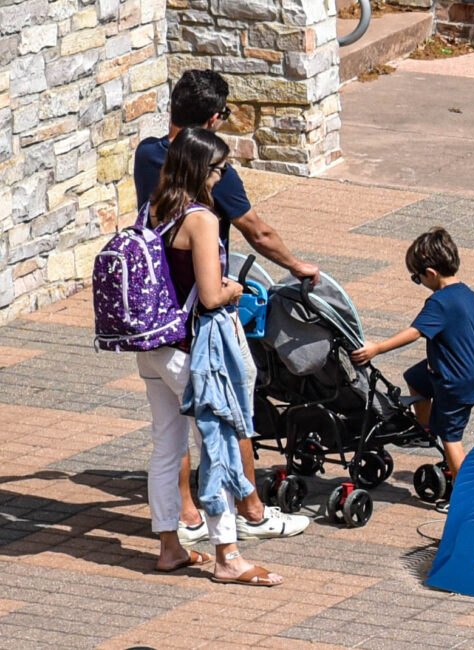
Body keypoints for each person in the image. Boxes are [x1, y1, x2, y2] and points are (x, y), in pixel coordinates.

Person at [134, 69, 315, 544]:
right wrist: (290, 269)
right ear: (212, 121)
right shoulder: (205, 206)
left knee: (168, 436)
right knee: (227, 417)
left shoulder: (148, 159)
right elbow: (255, 234)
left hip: (156, 322)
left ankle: (182, 523)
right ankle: (247, 518)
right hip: (198, 324)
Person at [139, 126, 282, 585]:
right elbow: (209, 294)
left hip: (153, 346)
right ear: (202, 169)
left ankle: (169, 548)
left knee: (166, 446)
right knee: (217, 445)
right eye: (219, 169)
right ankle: (227, 557)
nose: (222, 178)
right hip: (191, 352)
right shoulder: (199, 218)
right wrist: (236, 288)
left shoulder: (155, 205)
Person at [350, 227, 474, 514]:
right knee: (415, 377)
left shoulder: (439, 301)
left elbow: (414, 333)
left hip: (455, 381)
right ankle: (425, 428)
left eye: (416, 278)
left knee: (452, 438)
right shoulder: (469, 294)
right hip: (472, 371)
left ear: (430, 273)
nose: (418, 282)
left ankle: (464, 499)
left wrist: (377, 348)